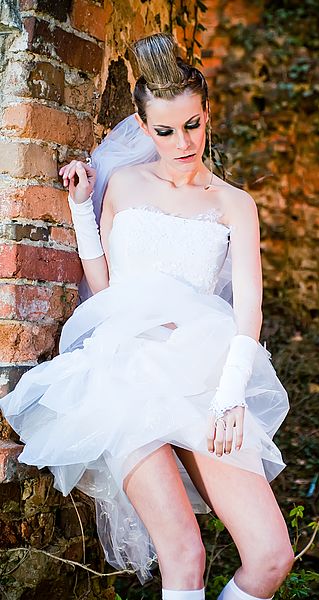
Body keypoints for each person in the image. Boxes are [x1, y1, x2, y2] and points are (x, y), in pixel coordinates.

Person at [0, 33, 293, 600]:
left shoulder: (235, 204)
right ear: (141, 125)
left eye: (192, 125)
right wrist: (83, 208)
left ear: (206, 115)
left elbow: (248, 307)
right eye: (164, 130)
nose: (181, 142)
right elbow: (105, 289)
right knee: (184, 556)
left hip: (206, 380)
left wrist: (231, 394)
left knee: (270, 555)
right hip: (127, 377)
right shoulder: (126, 184)